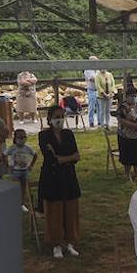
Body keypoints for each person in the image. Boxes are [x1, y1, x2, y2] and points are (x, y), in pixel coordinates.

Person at [38, 105, 81, 258]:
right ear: (49, 119)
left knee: (70, 209)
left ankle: (70, 242)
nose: (60, 120)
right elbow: (51, 158)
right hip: (52, 177)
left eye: (62, 116)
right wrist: (64, 158)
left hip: (69, 176)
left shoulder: (68, 134)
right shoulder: (44, 135)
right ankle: (56, 244)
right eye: (56, 117)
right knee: (54, 210)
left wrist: (63, 158)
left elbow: (76, 155)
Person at [115, 90, 137, 184]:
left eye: (135, 95)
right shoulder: (122, 108)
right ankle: (127, 174)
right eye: (131, 96)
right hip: (126, 136)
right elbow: (120, 120)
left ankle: (136, 173)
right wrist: (134, 126)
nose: (133, 97)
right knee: (127, 156)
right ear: (127, 97)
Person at [6, 129, 37, 210]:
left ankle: (22, 203)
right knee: (15, 187)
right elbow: (4, 155)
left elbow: (35, 155)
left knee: (23, 187)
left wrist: (31, 166)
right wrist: (7, 165)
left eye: (24, 137)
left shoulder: (27, 148)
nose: (22, 139)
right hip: (15, 171)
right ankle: (14, 202)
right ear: (15, 138)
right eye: (20, 137)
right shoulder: (12, 148)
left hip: (25, 170)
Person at [83, 57, 102, 129]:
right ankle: (91, 122)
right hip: (91, 90)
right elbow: (92, 79)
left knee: (99, 106)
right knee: (92, 107)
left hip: (98, 90)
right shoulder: (88, 70)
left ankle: (100, 121)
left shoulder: (97, 70)